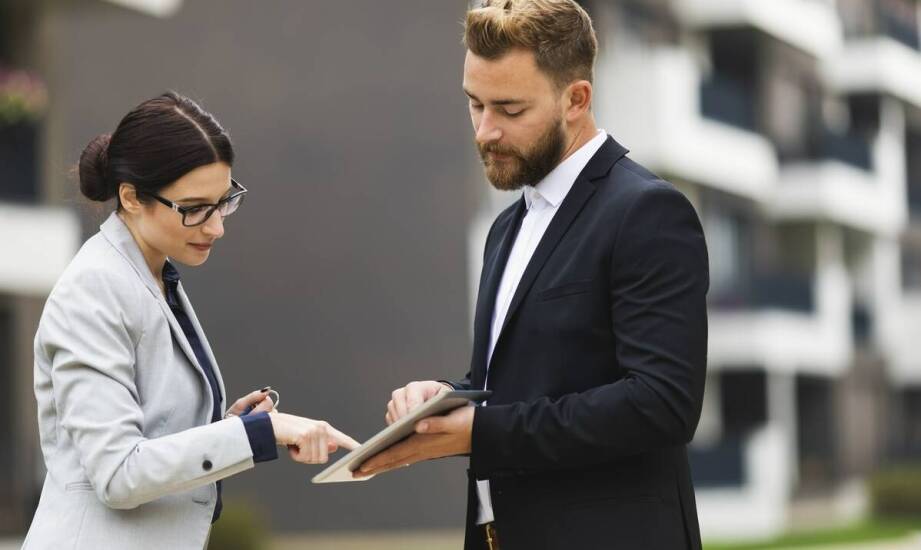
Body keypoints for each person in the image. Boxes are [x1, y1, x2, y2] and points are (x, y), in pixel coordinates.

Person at [357, 1, 709, 548]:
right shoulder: (506, 227)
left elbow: (661, 404)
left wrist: (481, 433)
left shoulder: (647, 212)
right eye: (475, 104)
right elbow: (526, 381)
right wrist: (450, 397)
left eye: (510, 109)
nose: (485, 131)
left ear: (576, 99)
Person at [23, 92, 358, 550]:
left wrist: (230, 424)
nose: (216, 226)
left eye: (224, 202)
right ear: (131, 197)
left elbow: (152, 432)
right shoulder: (96, 288)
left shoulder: (152, 275)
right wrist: (256, 433)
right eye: (194, 208)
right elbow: (118, 474)